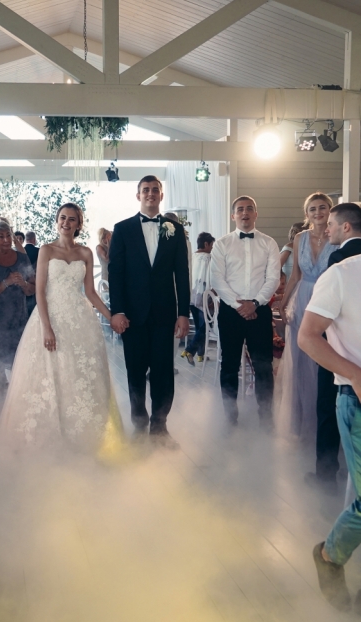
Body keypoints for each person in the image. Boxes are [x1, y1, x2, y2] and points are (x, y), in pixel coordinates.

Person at [0, 204, 124, 452]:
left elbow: (90, 292)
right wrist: (46, 328)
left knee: (80, 374)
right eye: (62, 218)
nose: (66, 222)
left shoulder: (85, 252)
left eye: (72, 219)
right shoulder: (46, 250)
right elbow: (40, 291)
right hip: (50, 317)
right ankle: (48, 437)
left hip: (80, 319)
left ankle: (83, 437)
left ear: (79, 224)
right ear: (57, 221)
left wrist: (111, 317)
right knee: (50, 373)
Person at [298, 254, 361, 614]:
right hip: (357, 399)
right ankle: (329, 555)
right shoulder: (342, 275)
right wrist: (355, 374)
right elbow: (307, 337)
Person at [108, 175, 190, 447]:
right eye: (145, 190)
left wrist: (183, 313)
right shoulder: (122, 229)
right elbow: (115, 273)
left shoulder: (175, 230)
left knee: (163, 372)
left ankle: (160, 426)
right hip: (132, 315)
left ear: (161, 195)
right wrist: (117, 311)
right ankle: (139, 424)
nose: (150, 193)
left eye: (155, 189)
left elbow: (182, 274)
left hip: (165, 314)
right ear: (138, 195)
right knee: (134, 371)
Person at [210, 196, 280, 428]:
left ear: (256, 214)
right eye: (240, 209)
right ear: (233, 216)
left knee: (263, 366)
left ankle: (266, 418)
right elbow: (217, 279)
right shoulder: (222, 244)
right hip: (231, 312)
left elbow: (273, 278)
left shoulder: (269, 243)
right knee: (229, 365)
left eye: (250, 208)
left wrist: (256, 303)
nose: (245, 212)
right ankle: (230, 418)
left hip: (260, 311)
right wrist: (239, 305)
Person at [307, 203, 361, 494]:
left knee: (327, 407)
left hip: (341, 354)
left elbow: (318, 327)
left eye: (331, 223)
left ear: (346, 227)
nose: (327, 229)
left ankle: (326, 473)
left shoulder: (339, 261)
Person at [276, 193, 337, 441]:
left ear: (330, 210)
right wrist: (283, 303)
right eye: (313, 209)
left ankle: (324, 422)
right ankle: (300, 423)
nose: (318, 212)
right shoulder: (299, 238)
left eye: (322, 207)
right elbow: (295, 276)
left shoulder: (338, 237)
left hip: (328, 299)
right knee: (301, 359)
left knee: (324, 356)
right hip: (302, 300)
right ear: (307, 213)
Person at [0, 219, 35, 391]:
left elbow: (32, 290)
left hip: (19, 324)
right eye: (0, 237)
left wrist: (23, 284)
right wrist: (6, 282)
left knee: (22, 371)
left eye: (8, 236)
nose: (6, 240)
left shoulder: (23, 258)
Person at [181, 232, 215, 366]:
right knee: (206, 326)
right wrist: (213, 296)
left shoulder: (191, 257)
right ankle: (190, 350)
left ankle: (201, 354)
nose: (212, 248)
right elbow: (212, 279)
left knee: (199, 327)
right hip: (204, 297)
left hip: (192, 295)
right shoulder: (209, 258)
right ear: (206, 244)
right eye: (211, 245)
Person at [24, 231, 39, 316]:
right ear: (34, 239)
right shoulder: (39, 251)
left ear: (26, 239)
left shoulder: (19, 251)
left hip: (22, 283)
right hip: (35, 283)